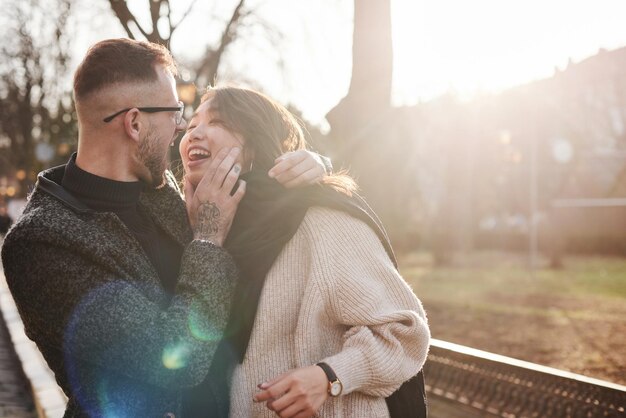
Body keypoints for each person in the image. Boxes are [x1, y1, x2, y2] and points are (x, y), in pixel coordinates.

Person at [0, 39, 328, 417]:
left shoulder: (160, 190)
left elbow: (255, 202)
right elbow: (172, 357)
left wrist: (314, 163)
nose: (181, 126)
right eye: (174, 112)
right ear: (135, 123)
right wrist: (206, 238)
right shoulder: (43, 241)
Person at [179, 86, 430, 418]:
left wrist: (329, 376)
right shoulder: (195, 227)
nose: (194, 132)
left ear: (254, 141)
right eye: (192, 122)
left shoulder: (317, 218)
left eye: (216, 121)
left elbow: (404, 332)